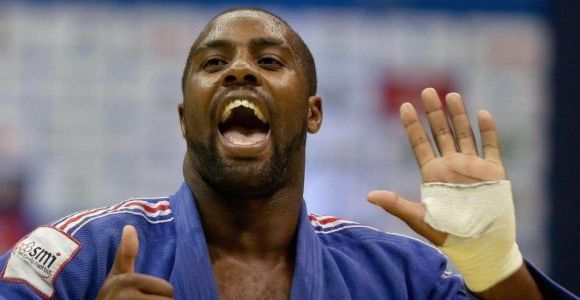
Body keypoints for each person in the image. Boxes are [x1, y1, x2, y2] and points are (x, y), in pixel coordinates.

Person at [0, 7, 577, 300]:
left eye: (270, 62)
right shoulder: (78, 259)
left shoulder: (403, 279)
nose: (241, 71)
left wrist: (496, 268)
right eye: (213, 63)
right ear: (184, 118)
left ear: (312, 114)